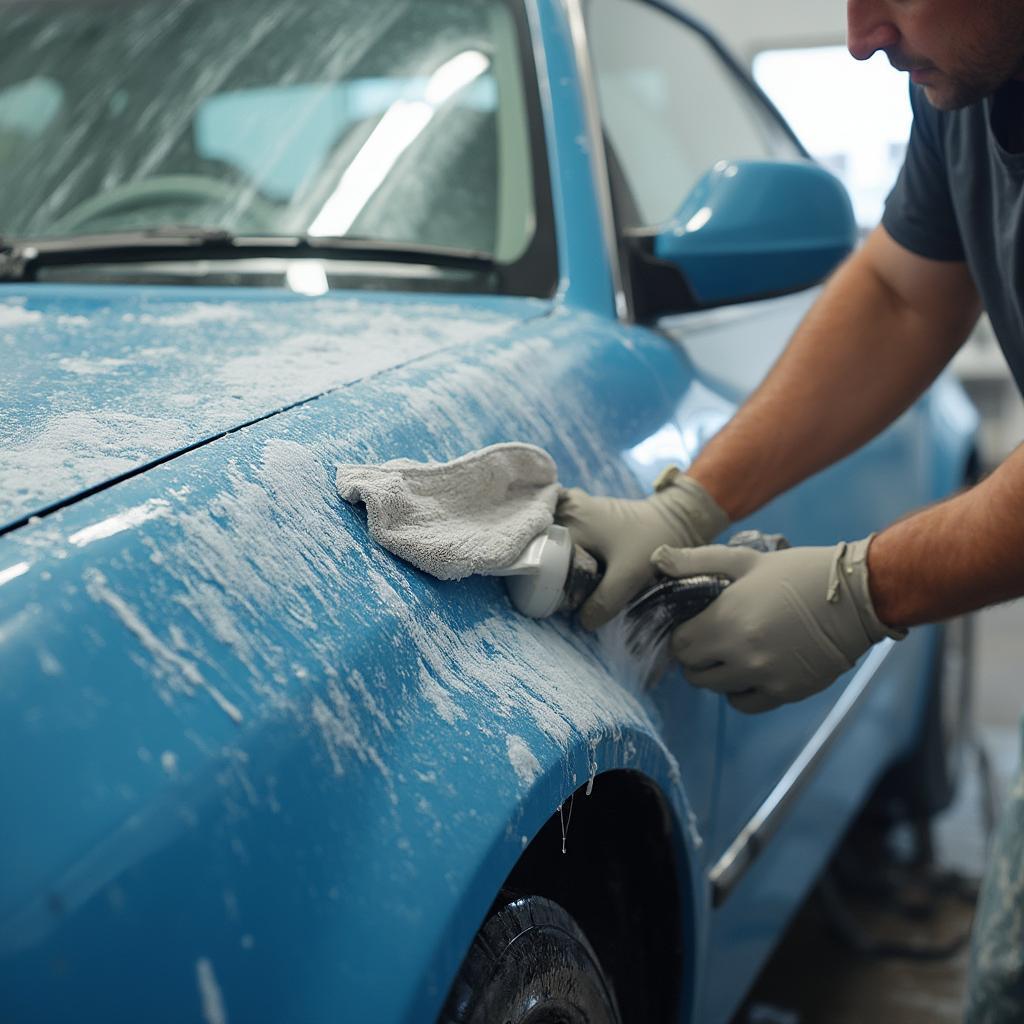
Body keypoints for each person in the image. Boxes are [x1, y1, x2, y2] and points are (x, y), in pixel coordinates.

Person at [556, 0, 1024, 1019]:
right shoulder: (967, 83)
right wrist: (686, 506)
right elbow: (904, 293)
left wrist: (858, 589)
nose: (860, 35)